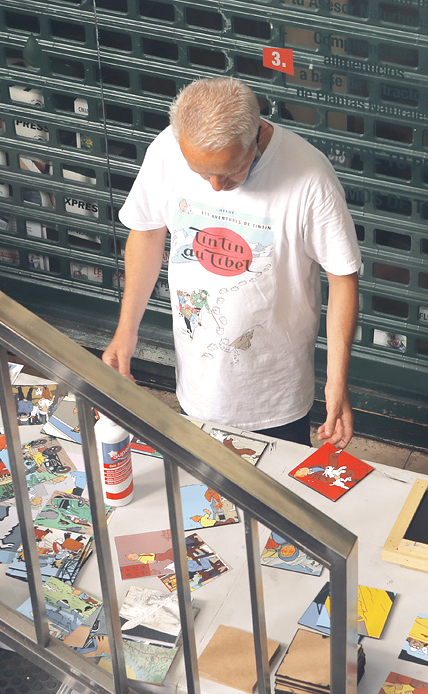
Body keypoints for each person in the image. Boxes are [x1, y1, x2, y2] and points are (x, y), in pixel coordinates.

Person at [102, 76, 361, 448]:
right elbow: (147, 231)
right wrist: (126, 331)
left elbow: (343, 278)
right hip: (197, 383)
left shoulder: (309, 177)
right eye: (201, 173)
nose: (215, 187)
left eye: (228, 172)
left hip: (275, 393)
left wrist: (337, 382)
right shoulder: (168, 149)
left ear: (255, 137)